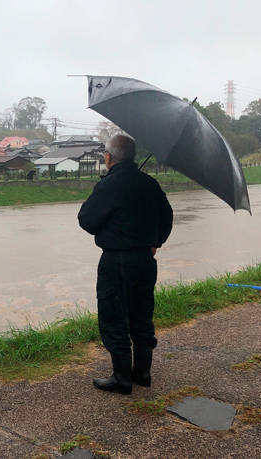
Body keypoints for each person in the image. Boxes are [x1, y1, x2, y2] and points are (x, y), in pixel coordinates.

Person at [77, 134, 173, 394]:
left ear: (109, 157)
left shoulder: (110, 185)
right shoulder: (150, 183)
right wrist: (156, 241)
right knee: (142, 315)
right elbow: (167, 216)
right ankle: (142, 373)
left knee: (114, 316)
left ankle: (122, 378)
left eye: (105, 155)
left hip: (116, 261)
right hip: (145, 260)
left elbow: (87, 220)